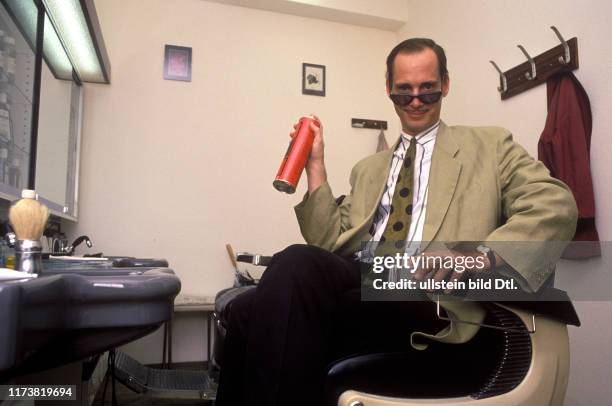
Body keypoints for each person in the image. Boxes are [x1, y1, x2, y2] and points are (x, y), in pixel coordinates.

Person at [215, 38, 577, 406]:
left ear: (446, 84)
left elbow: (554, 204)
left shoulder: (491, 145)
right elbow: (328, 245)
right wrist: (316, 167)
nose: (416, 101)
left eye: (428, 91)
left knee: (277, 282)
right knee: (252, 304)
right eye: (404, 93)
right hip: (362, 278)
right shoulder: (368, 169)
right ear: (388, 89)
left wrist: (482, 254)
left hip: (426, 293)